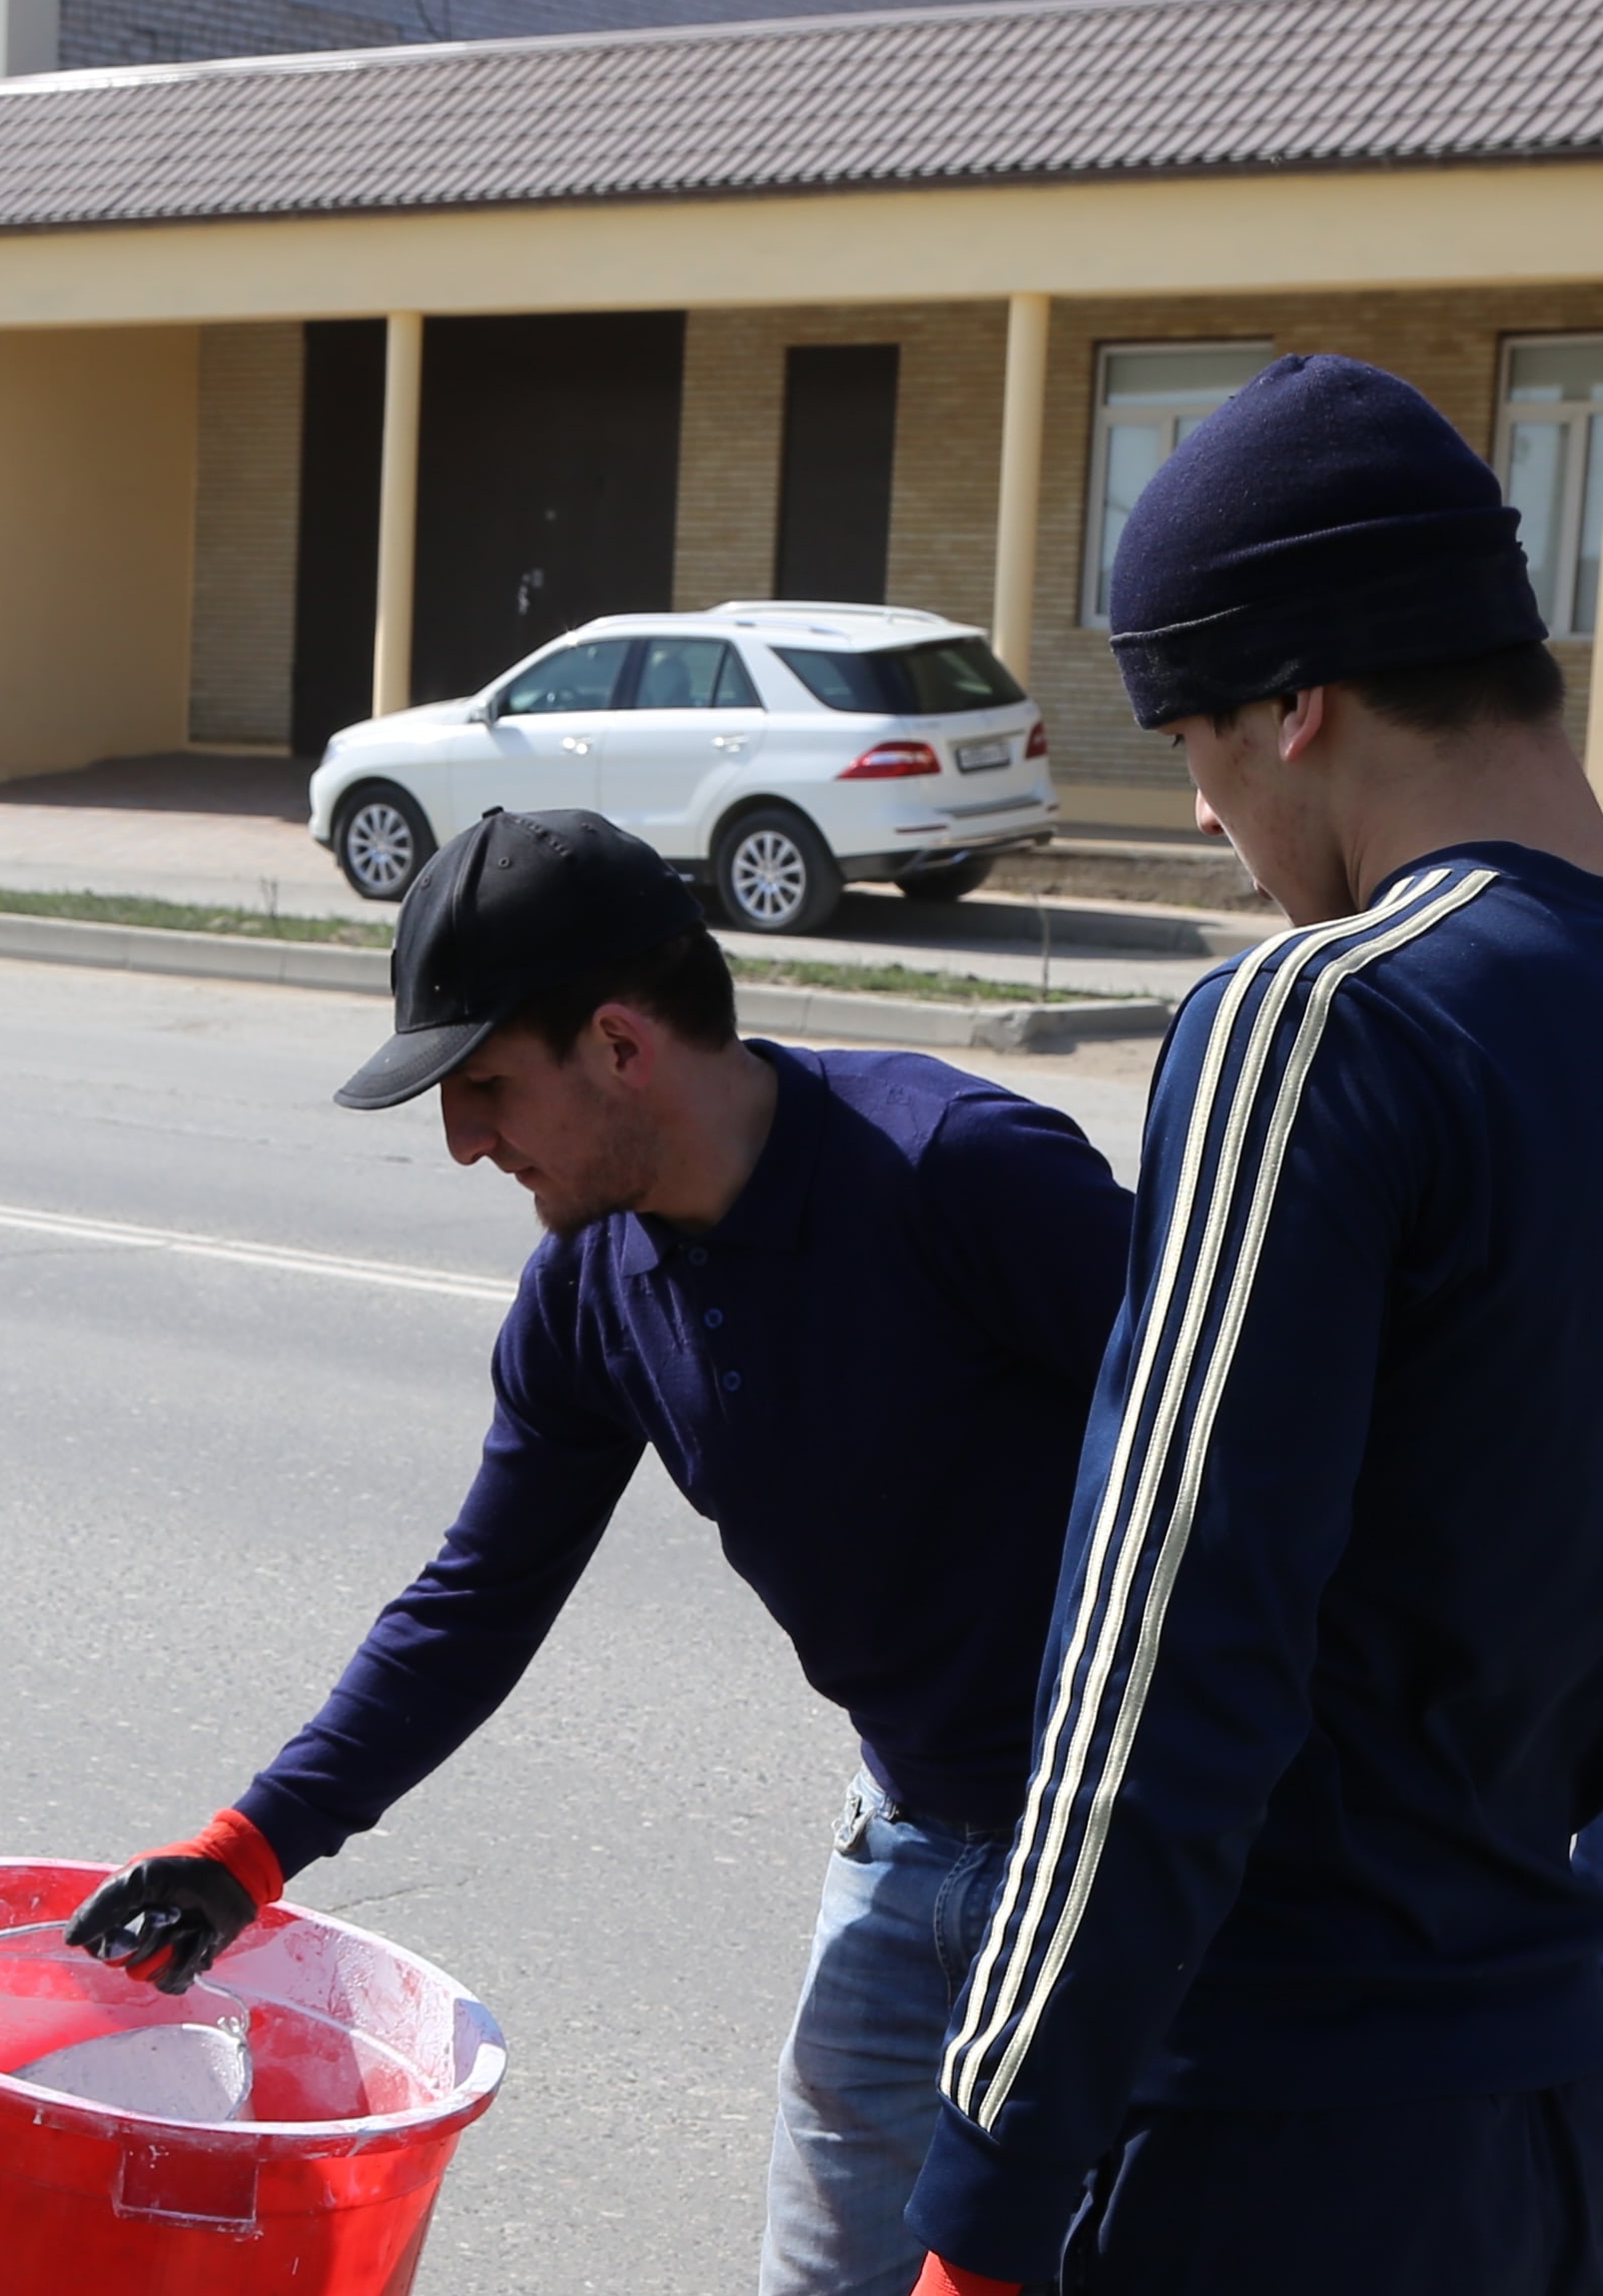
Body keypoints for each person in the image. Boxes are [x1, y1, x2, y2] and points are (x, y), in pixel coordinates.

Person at [901, 357, 1603, 2295]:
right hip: (1537, 2131)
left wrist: (981, 2210)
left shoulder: (1326, 1023)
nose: (1204, 808)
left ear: (1296, 701)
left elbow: (1160, 1667)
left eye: (1192, 740)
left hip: (1262, 2140)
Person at [65, 807, 1133, 2296]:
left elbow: (1256, 1471)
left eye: (486, 1085)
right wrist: (247, 1851)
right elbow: (476, 1600)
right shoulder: (587, 1288)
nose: (463, 1141)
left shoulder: (955, 1171)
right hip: (907, 1838)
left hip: (1131, 1859)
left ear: (619, 1045)